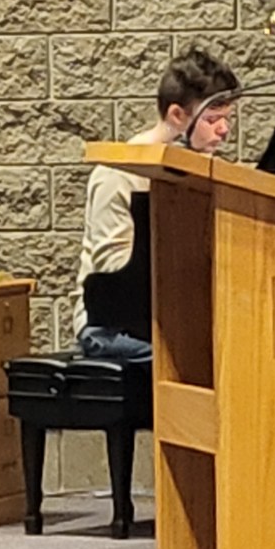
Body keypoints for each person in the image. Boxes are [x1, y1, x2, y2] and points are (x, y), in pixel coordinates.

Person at [72, 47, 239, 360]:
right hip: (108, 327)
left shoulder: (202, 171)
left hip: (172, 317)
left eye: (228, 119)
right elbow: (112, 268)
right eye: (213, 119)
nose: (224, 130)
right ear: (177, 115)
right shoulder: (118, 172)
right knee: (198, 362)